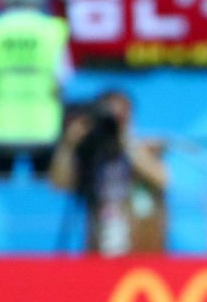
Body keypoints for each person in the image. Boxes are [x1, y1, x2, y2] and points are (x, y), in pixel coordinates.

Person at [49, 90, 167, 255]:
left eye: (122, 114)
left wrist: (125, 139)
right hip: (100, 246)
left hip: (143, 251)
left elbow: (162, 179)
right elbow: (59, 184)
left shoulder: (145, 149)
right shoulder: (90, 155)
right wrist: (69, 145)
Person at [0, 0, 70, 179]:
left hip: (2, 124)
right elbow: (61, 82)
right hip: (44, 124)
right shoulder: (53, 31)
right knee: (45, 190)